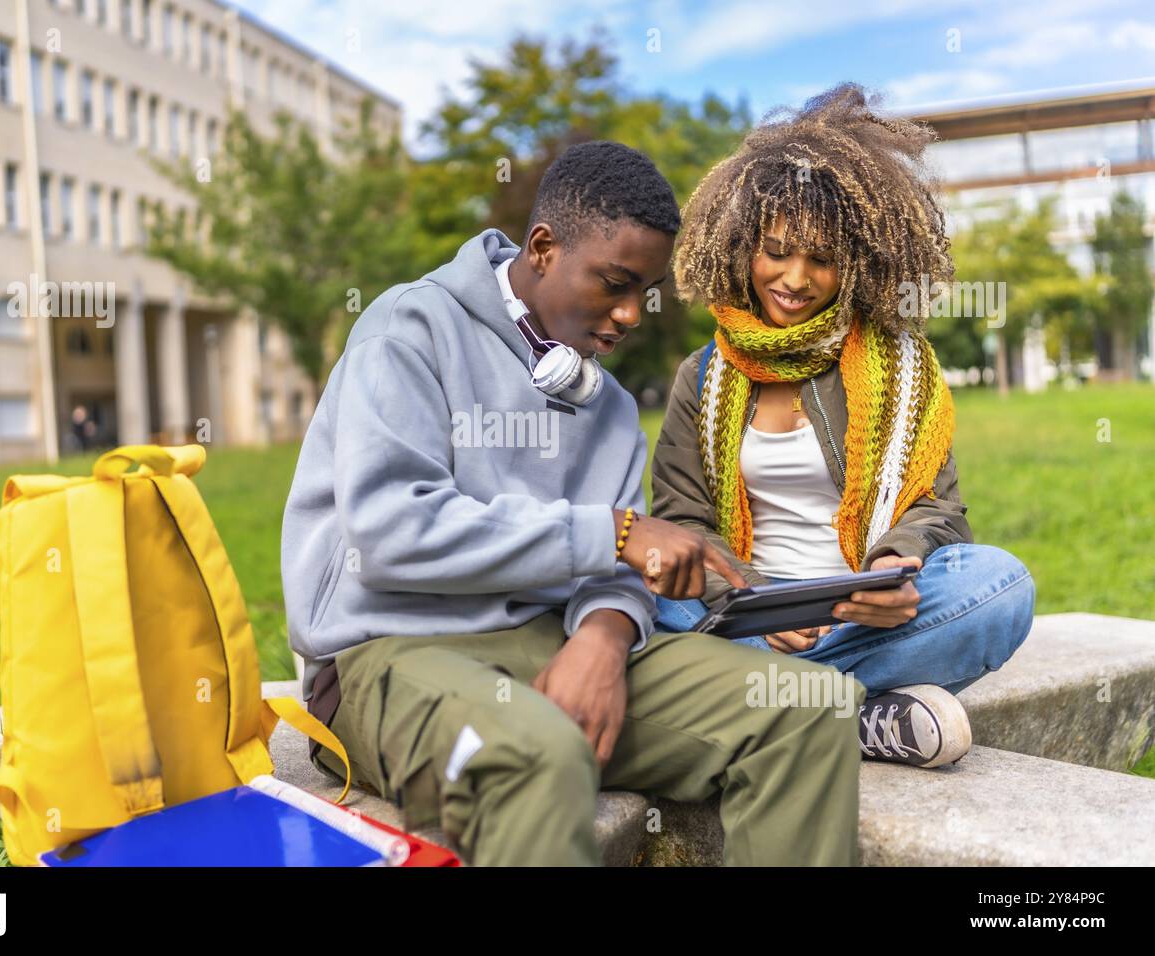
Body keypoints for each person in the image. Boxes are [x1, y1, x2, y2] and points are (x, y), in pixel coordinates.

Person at [281, 140, 865, 866]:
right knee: (540, 753)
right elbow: (389, 531)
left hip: (551, 638)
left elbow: (615, 573)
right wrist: (614, 533)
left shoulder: (610, 406)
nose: (628, 316)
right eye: (613, 284)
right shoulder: (408, 330)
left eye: (642, 294)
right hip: (385, 654)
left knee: (809, 711)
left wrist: (607, 634)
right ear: (544, 247)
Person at [653, 84, 1036, 770]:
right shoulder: (701, 375)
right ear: (743, 247)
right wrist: (749, 600)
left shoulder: (902, 367)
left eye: (820, 259)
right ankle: (856, 716)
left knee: (1001, 586)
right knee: (652, 602)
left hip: (859, 604)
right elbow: (682, 522)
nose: (794, 279)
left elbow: (940, 510)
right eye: (776, 251)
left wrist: (894, 567)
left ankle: (775, 709)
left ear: (855, 262)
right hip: (747, 610)